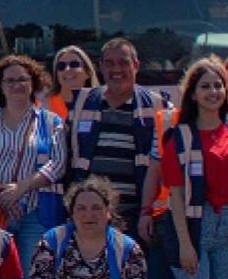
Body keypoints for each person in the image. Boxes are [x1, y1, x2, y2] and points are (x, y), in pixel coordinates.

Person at [160, 59, 228, 279]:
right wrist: (185, 244)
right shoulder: (179, 137)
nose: (213, 92)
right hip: (194, 227)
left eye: (218, 85)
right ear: (193, 94)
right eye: (205, 86)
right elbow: (176, 195)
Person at [63, 38, 171, 236]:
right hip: (91, 215)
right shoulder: (82, 102)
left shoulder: (157, 105)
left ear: (136, 65)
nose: (116, 69)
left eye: (123, 62)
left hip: (136, 215)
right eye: (109, 63)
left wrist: (148, 211)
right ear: (100, 67)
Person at [0, 55, 66, 261]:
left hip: (36, 212)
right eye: (10, 80)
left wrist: (21, 187)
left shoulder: (52, 122)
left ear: (33, 83)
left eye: (22, 79)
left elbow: (58, 164)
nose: (16, 85)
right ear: (0, 86)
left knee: (32, 272)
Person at [28, 177, 147, 279]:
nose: (89, 215)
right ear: (71, 213)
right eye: (81, 208)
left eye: (96, 208)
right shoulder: (51, 242)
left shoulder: (128, 249)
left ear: (108, 212)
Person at [46, 46, 97, 119]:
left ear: (88, 72)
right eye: (61, 66)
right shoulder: (45, 105)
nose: (67, 69)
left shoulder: (98, 104)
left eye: (74, 64)